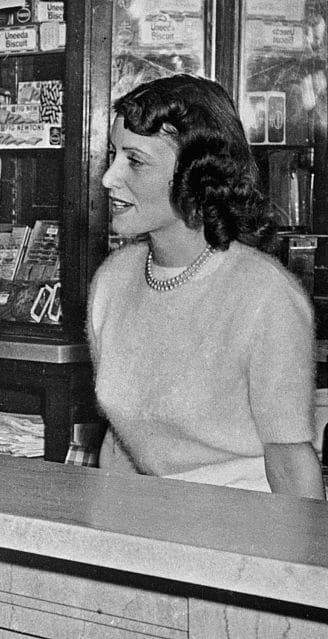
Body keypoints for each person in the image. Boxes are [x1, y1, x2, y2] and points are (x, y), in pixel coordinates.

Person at [89, 73, 324, 498]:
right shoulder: (113, 280)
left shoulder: (263, 294)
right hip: (150, 523)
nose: (108, 178)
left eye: (134, 161)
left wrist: (301, 563)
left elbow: (289, 463)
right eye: (113, 155)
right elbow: (121, 444)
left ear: (195, 176)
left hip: (245, 530)